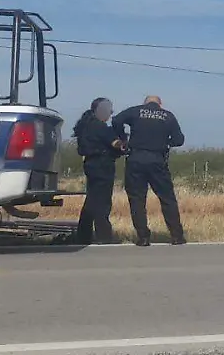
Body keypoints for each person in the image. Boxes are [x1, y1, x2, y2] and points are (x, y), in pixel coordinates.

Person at [112, 95, 186, 246]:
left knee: (137, 199)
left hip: (135, 159)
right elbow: (179, 140)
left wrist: (123, 138)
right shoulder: (168, 116)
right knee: (167, 199)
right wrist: (166, 142)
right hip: (157, 160)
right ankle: (177, 236)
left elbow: (116, 120)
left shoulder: (136, 111)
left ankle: (143, 237)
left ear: (144, 103)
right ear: (160, 104)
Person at [72, 97, 125, 244]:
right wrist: (125, 144)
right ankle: (104, 236)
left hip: (90, 164)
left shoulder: (85, 125)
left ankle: (83, 235)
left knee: (92, 200)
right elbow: (116, 144)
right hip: (103, 165)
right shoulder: (101, 127)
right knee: (102, 201)